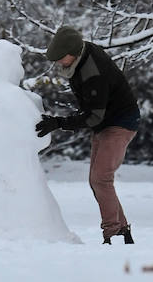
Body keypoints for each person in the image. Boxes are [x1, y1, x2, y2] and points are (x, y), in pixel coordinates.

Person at [35, 24, 140, 245]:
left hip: (120, 122)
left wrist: (60, 123)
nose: (57, 64)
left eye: (60, 58)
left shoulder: (93, 72)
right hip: (104, 121)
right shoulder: (80, 57)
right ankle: (122, 230)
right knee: (97, 181)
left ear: (72, 53)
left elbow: (94, 116)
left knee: (100, 178)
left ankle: (112, 233)